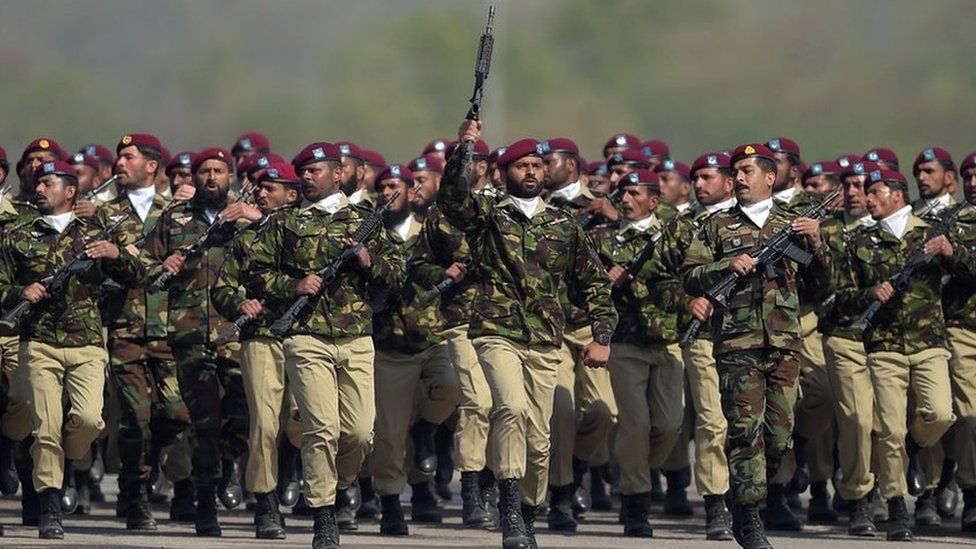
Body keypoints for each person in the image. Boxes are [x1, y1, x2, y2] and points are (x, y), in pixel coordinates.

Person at [440, 120, 617, 549]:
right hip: (496, 332)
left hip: (543, 339)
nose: (532, 171)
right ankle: (508, 508)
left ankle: (528, 508)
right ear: (503, 173)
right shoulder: (487, 216)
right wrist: (464, 151)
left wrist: (602, 335)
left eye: (538, 164)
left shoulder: (563, 224)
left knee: (540, 438)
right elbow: (453, 201)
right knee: (511, 409)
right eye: (522, 165)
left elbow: (593, 282)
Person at [246, 141, 404, 549]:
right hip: (305, 335)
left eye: (315, 170)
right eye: (303, 171)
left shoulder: (367, 219)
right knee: (322, 428)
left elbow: (396, 276)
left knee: (360, 432)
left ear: (338, 174)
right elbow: (258, 272)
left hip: (356, 336)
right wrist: (293, 285)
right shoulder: (284, 223)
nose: (306, 176)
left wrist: (369, 261)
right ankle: (324, 514)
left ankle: (340, 482)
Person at [681, 143, 830, 549]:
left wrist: (816, 245)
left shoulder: (794, 224)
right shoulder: (716, 225)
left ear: (770, 176)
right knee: (745, 432)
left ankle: (745, 494)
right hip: (736, 343)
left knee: (778, 438)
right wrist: (726, 265)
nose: (741, 177)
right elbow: (691, 276)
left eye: (749, 170)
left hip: (783, 342)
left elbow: (822, 286)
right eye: (737, 171)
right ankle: (750, 520)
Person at [0, 159, 145, 538]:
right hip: (40, 342)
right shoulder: (18, 233)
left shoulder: (97, 233)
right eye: (38, 183)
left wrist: (116, 255)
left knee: (90, 421)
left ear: (70, 190)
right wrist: (20, 292)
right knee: (45, 429)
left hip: (86, 343)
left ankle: (61, 464)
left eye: (49, 183)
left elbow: (139, 277)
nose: (39, 188)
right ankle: (50, 504)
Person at [835, 167, 958, 541]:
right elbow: (841, 300)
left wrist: (952, 251)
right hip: (884, 347)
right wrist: (870, 294)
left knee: (940, 414)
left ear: (898, 195)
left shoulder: (932, 233)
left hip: (929, 344)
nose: (867, 198)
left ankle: (915, 445)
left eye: (875, 192)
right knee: (888, 429)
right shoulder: (860, 242)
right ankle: (895, 505)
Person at [143, 147, 253, 536]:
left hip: (237, 332)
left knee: (242, 418)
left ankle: (226, 468)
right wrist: (163, 265)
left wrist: (259, 218)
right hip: (190, 333)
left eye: (219, 171)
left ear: (231, 176)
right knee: (204, 422)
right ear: (193, 177)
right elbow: (143, 262)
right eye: (204, 171)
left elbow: (281, 250)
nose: (211, 178)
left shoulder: (246, 217)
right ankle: (205, 502)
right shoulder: (174, 218)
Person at [588, 169, 686, 537]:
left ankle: (631, 468)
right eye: (622, 193)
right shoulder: (602, 239)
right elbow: (585, 281)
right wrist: (605, 277)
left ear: (654, 201)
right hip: (626, 342)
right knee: (636, 424)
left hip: (667, 341)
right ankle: (635, 500)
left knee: (669, 425)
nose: (625, 200)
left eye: (634, 194)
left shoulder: (672, 236)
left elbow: (685, 266)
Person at [101, 134, 191, 530]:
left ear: (151, 165)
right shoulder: (104, 214)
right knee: (134, 418)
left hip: (170, 329)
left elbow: (194, 259)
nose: (120, 162)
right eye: (119, 156)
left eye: (129, 156)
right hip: (126, 328)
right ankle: (135, 493)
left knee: (175, 413)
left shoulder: (178, 210)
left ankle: (148, 464)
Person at [212, 161, 303, 539]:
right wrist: (239, 304)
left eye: (272, 188)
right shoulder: (245, 239)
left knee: (307, 424)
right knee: (264, 424)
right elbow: (221, 288)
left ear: (292, 195)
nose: (262, 193)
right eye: (260, 187)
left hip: (308, 337)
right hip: (262, 337)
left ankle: (315, 485)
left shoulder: (310, 232)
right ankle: (265, 504)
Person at [369, 164, 461, 534]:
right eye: (383, 186)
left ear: (412, 191)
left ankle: (426, 430)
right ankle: (394, 500)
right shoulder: (369, 234)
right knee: (390, 434)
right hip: (389, 345)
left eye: (397, 185)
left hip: (432, 337)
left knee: (451, 388)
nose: (388, 192)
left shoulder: (432, 233)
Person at [540, 137, 618, 528]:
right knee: (561, 413)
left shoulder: (603, 205)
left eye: (548, 160)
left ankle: (578, 462)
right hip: (552, 325)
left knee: (605, 412)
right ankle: (561, 497)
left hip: (589, 324)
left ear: (570, 164)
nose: (541, 167)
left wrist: (615, 217)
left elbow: (628, 258)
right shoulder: (535, 207)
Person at [816, 160, 882, 537]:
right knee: (857, 420)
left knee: (892, 424)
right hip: (845, 337)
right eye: (850, 185)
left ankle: (909, 488)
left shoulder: (900, 232)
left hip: (894, 339)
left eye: (864, 186)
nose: (856, 192)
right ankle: (860, 499)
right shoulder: (827, 231)